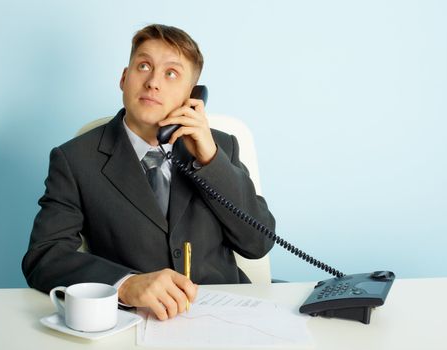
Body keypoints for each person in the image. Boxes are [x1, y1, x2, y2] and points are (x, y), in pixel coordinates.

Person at [22, 24, 275, 321]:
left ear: (192, 95)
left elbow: (258, 243)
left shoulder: (221, 146)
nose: (153, 82)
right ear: (124, 78)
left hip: (225, 318)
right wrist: (125, 284)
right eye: (143, 66)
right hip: (134, 320)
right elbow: (44, 255)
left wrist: (211, 160)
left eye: (171, 73)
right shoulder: (74, 159)